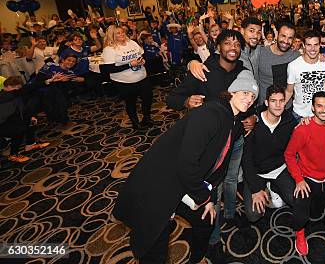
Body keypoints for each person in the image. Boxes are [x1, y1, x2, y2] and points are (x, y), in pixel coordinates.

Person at [113, 71, 258, 264]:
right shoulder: (210, 113)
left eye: (252, 96)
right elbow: (187, 163)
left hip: (186, 183)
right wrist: (204, 197)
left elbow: (218, 167)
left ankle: (197, 258)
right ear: (231, 92)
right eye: (244, 93)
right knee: (154, 247)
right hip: (161, 184)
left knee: (206, 221)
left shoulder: (232, 122)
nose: (248, 99)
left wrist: (209, 198)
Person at [284, 91, 325, 256]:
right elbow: (288, 155)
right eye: (319, 106)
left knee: (316, 213)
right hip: (305, 178)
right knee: (301, 215)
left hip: (323, 177)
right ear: (313, 108)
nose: (323, 110)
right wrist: (299, 180)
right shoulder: (303, 130)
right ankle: (299, 233)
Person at [241, 85, 298, 223]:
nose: (278, 105)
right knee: (253, 215)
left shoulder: (289, 121)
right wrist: (256, 189)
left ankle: (273, 187)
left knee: (297, 201)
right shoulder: (252, 124)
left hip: (279, 169)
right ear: (266, 102)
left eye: (281, 101)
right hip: (257, 171)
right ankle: (264, 186)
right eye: (273, 101)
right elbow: (246, 159)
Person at [0, 75, 64, 163]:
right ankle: (13, 154)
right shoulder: (4, 97)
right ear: (7, 87)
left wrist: (29, 117)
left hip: (11, 121)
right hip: (3, 124)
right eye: (16, 88)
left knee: (30, 121)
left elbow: (28, 89)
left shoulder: (15, 94)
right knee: (19, 130)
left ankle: (30, 144)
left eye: (19, 88)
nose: (18, 90)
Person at [100, 25, 152, 130]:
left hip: (142, 77)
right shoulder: (109, 49)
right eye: (118, 33)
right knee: (131, 102)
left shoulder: (132, 43)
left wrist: (142, 60)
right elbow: (110, 69)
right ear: (112, 35)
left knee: (148, 98)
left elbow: (141, 54)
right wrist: (129, 65)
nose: (121, 34)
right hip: (124, 82)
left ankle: (147, 118)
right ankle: (135, 123)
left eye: (122, 32)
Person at [285, 30, 325, 120]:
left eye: (316, 45)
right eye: (309, 45)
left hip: (321, 115)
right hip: (299, 115)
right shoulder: (293, 66)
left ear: (320, 45)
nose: (313, 49)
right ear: (303, 45)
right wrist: (277, 108)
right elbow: (289, 92)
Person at [256, 22, 300, 105]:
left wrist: (321, 57)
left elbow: (311, 59)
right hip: (264, 106)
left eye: (290, 38)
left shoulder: (296, 55)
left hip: (287, 107)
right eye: (283, 36)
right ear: (277, 35)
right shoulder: (261, 52)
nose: (286, 41)